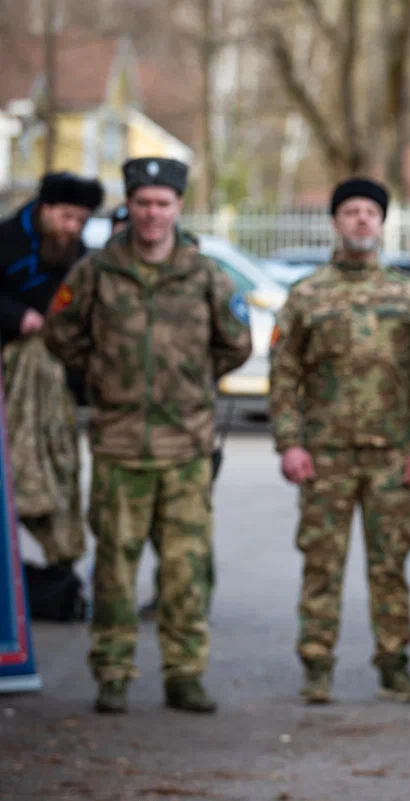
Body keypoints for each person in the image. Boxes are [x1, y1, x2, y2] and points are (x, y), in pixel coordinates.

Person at [44, 157, 252, 714]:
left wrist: (189, 379)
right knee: (114, 570)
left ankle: (185, 674)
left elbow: (236, 343)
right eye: (143, 203)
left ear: (178, 207)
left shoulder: (205, 274)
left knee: (186, 572)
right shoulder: (96, 272)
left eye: (163, 203)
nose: (152, 214)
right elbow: (62, 334)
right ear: (130, 206)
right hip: (119, 445)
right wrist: (104, 376)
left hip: (186, 448)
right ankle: (113, 672)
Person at [268, 177, 410, 705]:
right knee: (322, 564)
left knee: (390, 565)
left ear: (382, 223)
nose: (362, 219)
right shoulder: (307, 295)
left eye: (370, 211)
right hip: (325, 455)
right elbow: (284, 374)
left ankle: (394, 665)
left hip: (391, 454)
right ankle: (316, 663)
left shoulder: (408, 296)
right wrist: (289, 444)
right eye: (351, 211)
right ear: (335, 222)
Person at [0, 173, 102, 603]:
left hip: (54, 385)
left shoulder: (77, 253)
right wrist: (16, 317)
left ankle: (59, 571)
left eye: (80, 220)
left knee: (59, 472)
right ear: (44, 210)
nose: (72, 228)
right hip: (10, 376)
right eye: (65, 218)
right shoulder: (6, 240)